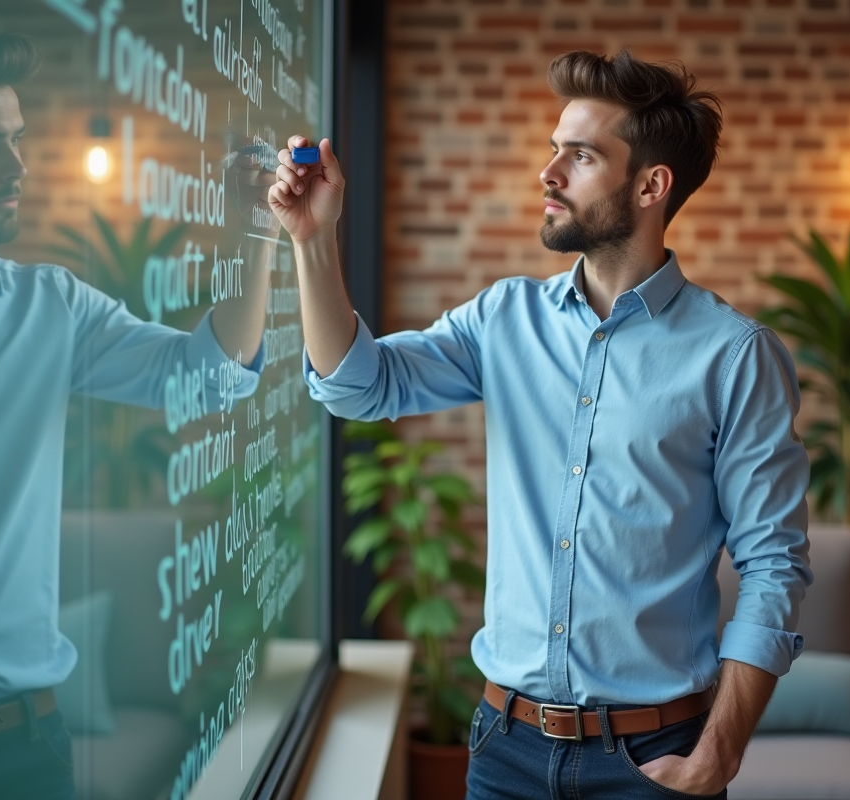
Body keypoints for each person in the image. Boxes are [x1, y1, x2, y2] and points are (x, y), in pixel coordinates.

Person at [274, 49, 812, 799]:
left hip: (653, 760)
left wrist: (715, 757)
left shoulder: (735, 357)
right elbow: (359, 386)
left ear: (652, 185)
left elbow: (774, 563)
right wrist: (311, 239)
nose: (549, 173)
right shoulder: (503, 318)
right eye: (554, 149)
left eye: (581, 155)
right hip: (506, 750)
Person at [0, 32, 272, 799]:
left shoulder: (53, 309)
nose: (17, 166)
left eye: (17, 140)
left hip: (30, 754)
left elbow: (209, 377)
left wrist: (258, 229)